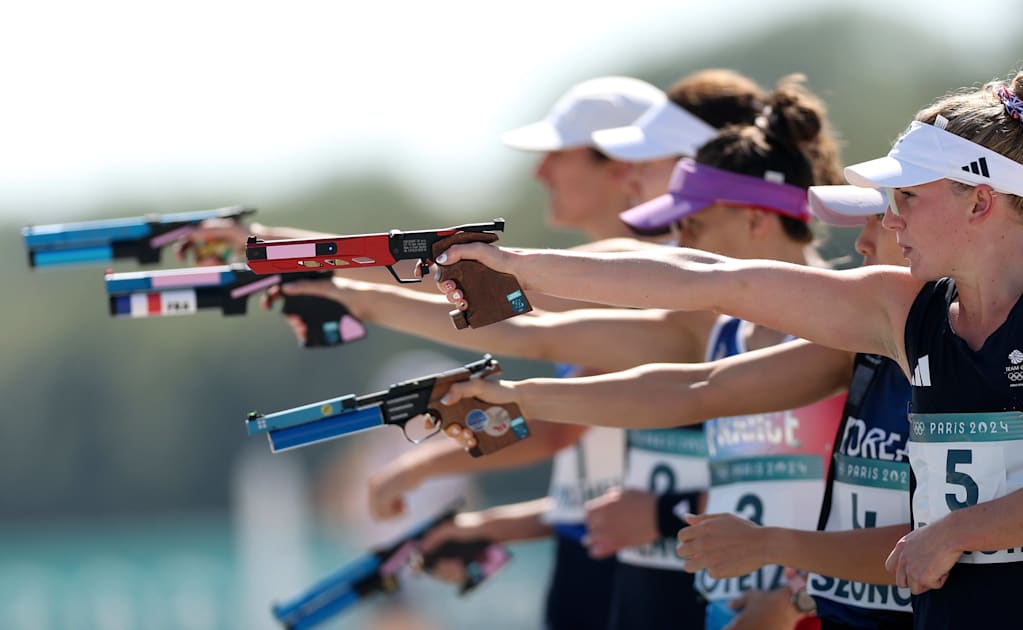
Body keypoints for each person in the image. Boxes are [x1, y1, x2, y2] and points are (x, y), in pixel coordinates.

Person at [433, 62, 1023, 629]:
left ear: (979, 201)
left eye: (908, 196)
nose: (889, 216)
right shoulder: (906, 307)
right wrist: (521, 268)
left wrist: (951, 534)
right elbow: (715, 279)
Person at [297, 74, 844, 629]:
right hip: (684, 590)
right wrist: (346, 288)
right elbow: (536, 336)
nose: (679, 233)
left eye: (691, 220)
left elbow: (886, 518)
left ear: (749, 212)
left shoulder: (846, 327)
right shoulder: (709, 322)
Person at [436, 186, 915, 630]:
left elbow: (949, 538)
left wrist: (788, 583)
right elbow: (699, 388)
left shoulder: (895, 325)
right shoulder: (864, 338)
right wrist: (524, 395)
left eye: (892, 213)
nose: (862, 244)